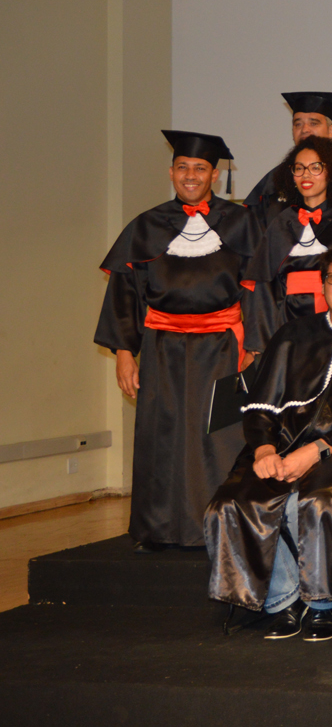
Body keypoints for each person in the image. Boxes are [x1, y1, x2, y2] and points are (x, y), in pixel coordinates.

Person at [205, 245, 332, 641]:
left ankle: (321, 604)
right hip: (279, 446)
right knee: (233, 503)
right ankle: (282, 600)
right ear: (323, 285)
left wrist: (317, 450)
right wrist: (265, 448)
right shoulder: (292, 335)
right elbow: (261, 405)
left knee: (316, 503)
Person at [96, 131, 256, 551]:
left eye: (199, 168)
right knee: (161, 435)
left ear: (214, 175)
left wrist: (254, 347)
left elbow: (258, 289)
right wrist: (125, 354)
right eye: (182, 167)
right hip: (162, 346)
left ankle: (219, 527)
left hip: (223, 347)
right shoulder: (147, 225)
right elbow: (124, 293)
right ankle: (159, 529)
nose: (190, 175)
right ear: (171, 173)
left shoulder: (241, 224)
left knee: (219, 438)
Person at [243, 135, 332, 353]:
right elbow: (261, 287)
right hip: (287, 326)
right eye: (299, 168)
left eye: (315, 167)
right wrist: (260, 345)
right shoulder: (281, 222)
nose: (305, 175)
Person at [242, 92, 332, 228]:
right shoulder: (274, 180)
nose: (305, 129)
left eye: (313, 123)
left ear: (331, 130)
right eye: (298, 124)